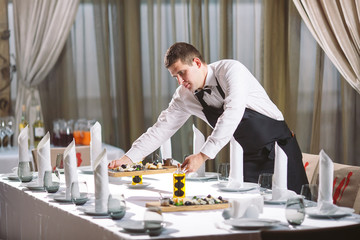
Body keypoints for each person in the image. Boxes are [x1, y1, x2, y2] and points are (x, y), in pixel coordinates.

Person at [108, 42, 308, 193]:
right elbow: (161, 129)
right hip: (246, 158)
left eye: (182, 73)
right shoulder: (183, 95)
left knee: (295, 212)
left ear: (196, 62)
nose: (180, 81)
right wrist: (128, 158)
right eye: (175, 77)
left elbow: (233, 113)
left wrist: (202, 156)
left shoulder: (231, 70)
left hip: (280, 151)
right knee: (251, 212)